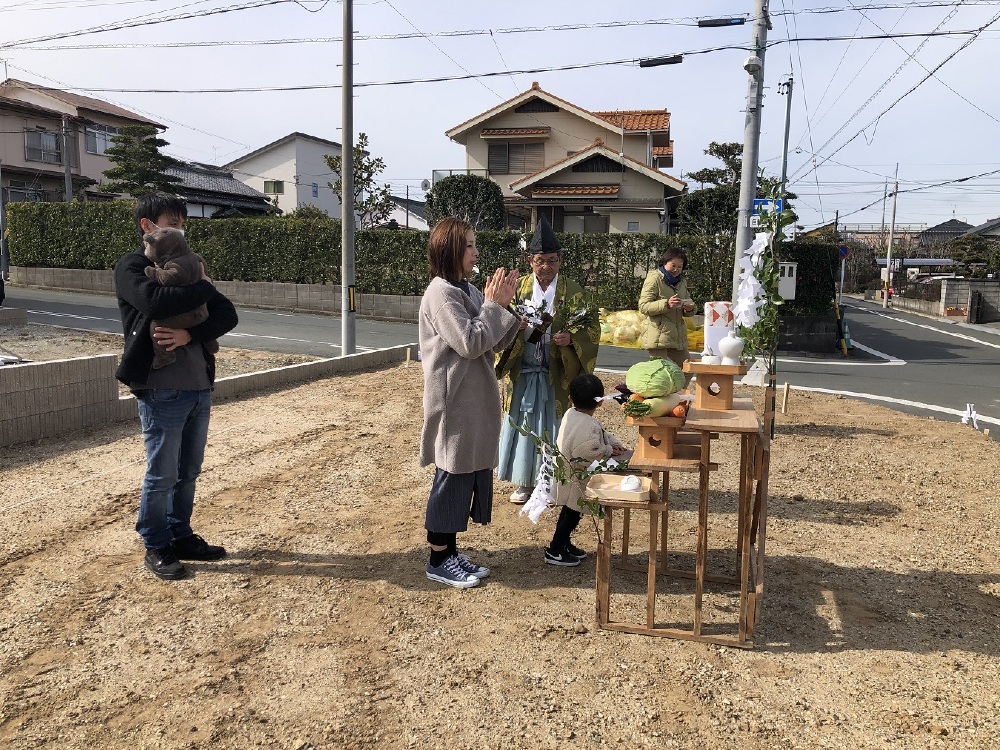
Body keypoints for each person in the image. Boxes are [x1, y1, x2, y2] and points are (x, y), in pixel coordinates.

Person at [114, 192, 238, 581]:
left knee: (188, 470)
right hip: (159, 385)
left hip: (198, 383)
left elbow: (227, 313)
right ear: (147, 225)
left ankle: (180, 533)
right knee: (161, 472)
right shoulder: (132, 265)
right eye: (172, 221)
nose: (179, 228)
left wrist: (189, 335)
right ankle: (155, 542)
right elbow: (154, 301)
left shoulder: (186, 265)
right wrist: (202, 286)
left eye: (182, 222)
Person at [418, 217, 521, 588]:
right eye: (470, 246)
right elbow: (470, 342)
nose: (476, 253)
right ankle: (437, 558)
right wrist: (495, 308)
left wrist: (511, 318)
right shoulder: (441, 294)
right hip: (454, 399)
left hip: (474, 396)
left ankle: (450, 551)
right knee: (451, 474)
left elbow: (491, 342)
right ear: (450, 250)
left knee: (466, 474)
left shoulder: (467, 289)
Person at [496, 216, 601, 504]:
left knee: (555, 428)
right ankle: (524, 483)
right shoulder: (516, 289)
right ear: (530, 260)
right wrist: (510, 327)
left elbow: (592, 327)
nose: (546, 267)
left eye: (552, 261)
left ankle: (553, 484)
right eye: (541, 260)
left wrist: (571, 339)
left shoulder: (575, 292)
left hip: (557, 372)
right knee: (524, 424)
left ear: (560, 260)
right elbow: (494, 315)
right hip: (525, 371)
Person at [544, 373, 628, 567]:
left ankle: (563, 544)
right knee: (571, 514)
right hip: (576, 477)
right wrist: (607, 450)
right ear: (600, 403)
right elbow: (587, 451)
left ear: (570, 398)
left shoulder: (572, 414)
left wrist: (612, 443)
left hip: (566, 472)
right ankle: (555, 549)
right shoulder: (588, 424)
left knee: (569, 512)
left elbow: (601, 433)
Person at [141, 226, 220, 370]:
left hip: (185, 315)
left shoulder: (175, 263)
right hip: (202, 313)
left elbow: (171, 277)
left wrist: (154, 272)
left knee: (155, 327)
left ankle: (165, 356)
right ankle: (211, 343)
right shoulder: (196, 258)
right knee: (204, 321)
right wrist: (206, 285)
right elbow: (207, 279)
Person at [638, 248, 696, 372]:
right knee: (660, 373)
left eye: (680, 267)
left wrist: (690, 308)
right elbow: (643, 306)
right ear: (664, 263)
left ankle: (678, 392)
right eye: (673, 265)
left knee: (688, 368)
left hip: (676, 336)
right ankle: (663, 392)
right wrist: (667, 304)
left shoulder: (682, 282)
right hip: (658, 334)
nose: (676, 270)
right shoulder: (654, 279)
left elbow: (688, 301)